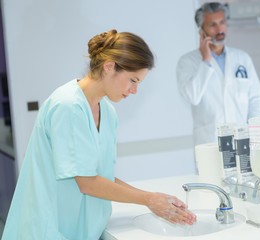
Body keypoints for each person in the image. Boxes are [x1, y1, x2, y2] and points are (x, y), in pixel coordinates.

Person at [2, 30, 196, 240]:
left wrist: (156, 201)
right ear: (109, 66)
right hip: (47, 229)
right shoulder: (67, 106)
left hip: (82, 230)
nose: (134, 90)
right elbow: (86, 182)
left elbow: (99, 176)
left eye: (139, 83)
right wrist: (148, 199)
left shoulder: (107, 111)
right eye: (133, 80)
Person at [176, 2, 260, 146]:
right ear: (201, 30)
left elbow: (256, 98)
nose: (219, 29)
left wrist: (253, 132)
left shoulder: (242, 58)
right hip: (210, 143)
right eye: (212, 25)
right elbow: (192, 96)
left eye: (222, 22)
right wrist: (205, 61)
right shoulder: (188, 62)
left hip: (243, 141)